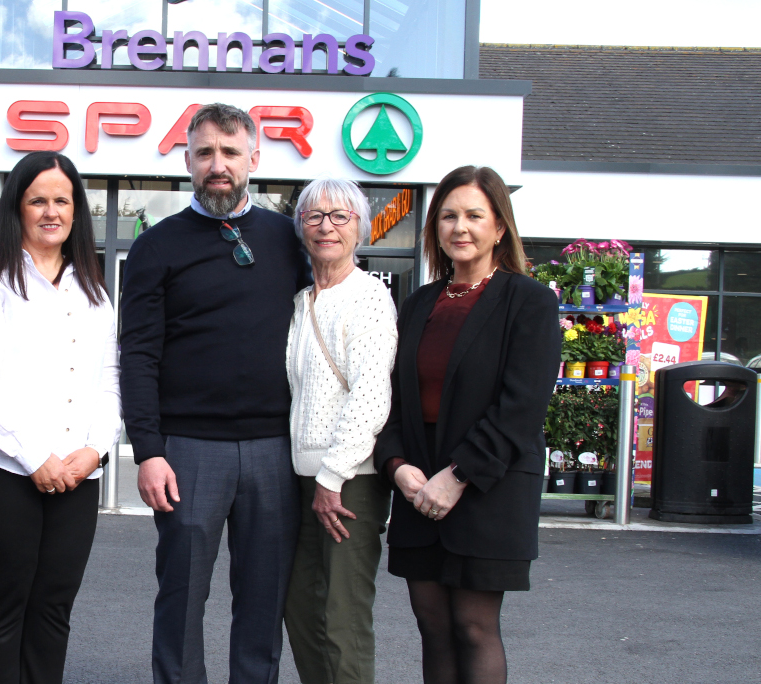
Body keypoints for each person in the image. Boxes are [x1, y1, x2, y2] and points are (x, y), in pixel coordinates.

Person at [120, 103, 310, 684]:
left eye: (230, 153)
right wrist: (149, 451)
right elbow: (138, 355)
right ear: (188, 161)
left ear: (254, 158)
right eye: (205, 153)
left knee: (263, 599)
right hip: (188, 451)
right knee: (181, 596)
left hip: (275, 449)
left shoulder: (289, 238)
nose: (218, 165)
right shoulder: (158, 247)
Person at [372, 165, 561, 684]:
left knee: (474, 627)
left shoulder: (529, 302)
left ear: (500, 227)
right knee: (432, 626)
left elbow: (521, 407)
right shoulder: (418, 303)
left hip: (486, 485)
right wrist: (397, 467)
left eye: (475, 215)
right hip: (418, 485)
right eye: (449, 215)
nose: (461, 227)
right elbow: (390, 401)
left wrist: (457, 477)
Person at [0, 150, 121, 684]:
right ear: (16, 209)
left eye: (62, 201)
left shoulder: (92, 288)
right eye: (37, 200)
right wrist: (34, 456)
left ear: (76, 211)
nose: (51, 211)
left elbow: (110, 377)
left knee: (53, 611)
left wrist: (97, 449)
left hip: (77, 474)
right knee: (4, 609)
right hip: (2, 473)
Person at [283, 178, 398, 684]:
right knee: (302, 608)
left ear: (360, 228)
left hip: (350, 481)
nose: (326, 226)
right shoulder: (302, 300)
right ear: (300, 228)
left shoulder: (369, 298)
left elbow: (371, 398)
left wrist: (331, 477)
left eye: (340, 216)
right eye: (314, 216)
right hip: (306, 479)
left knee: (342, 616)